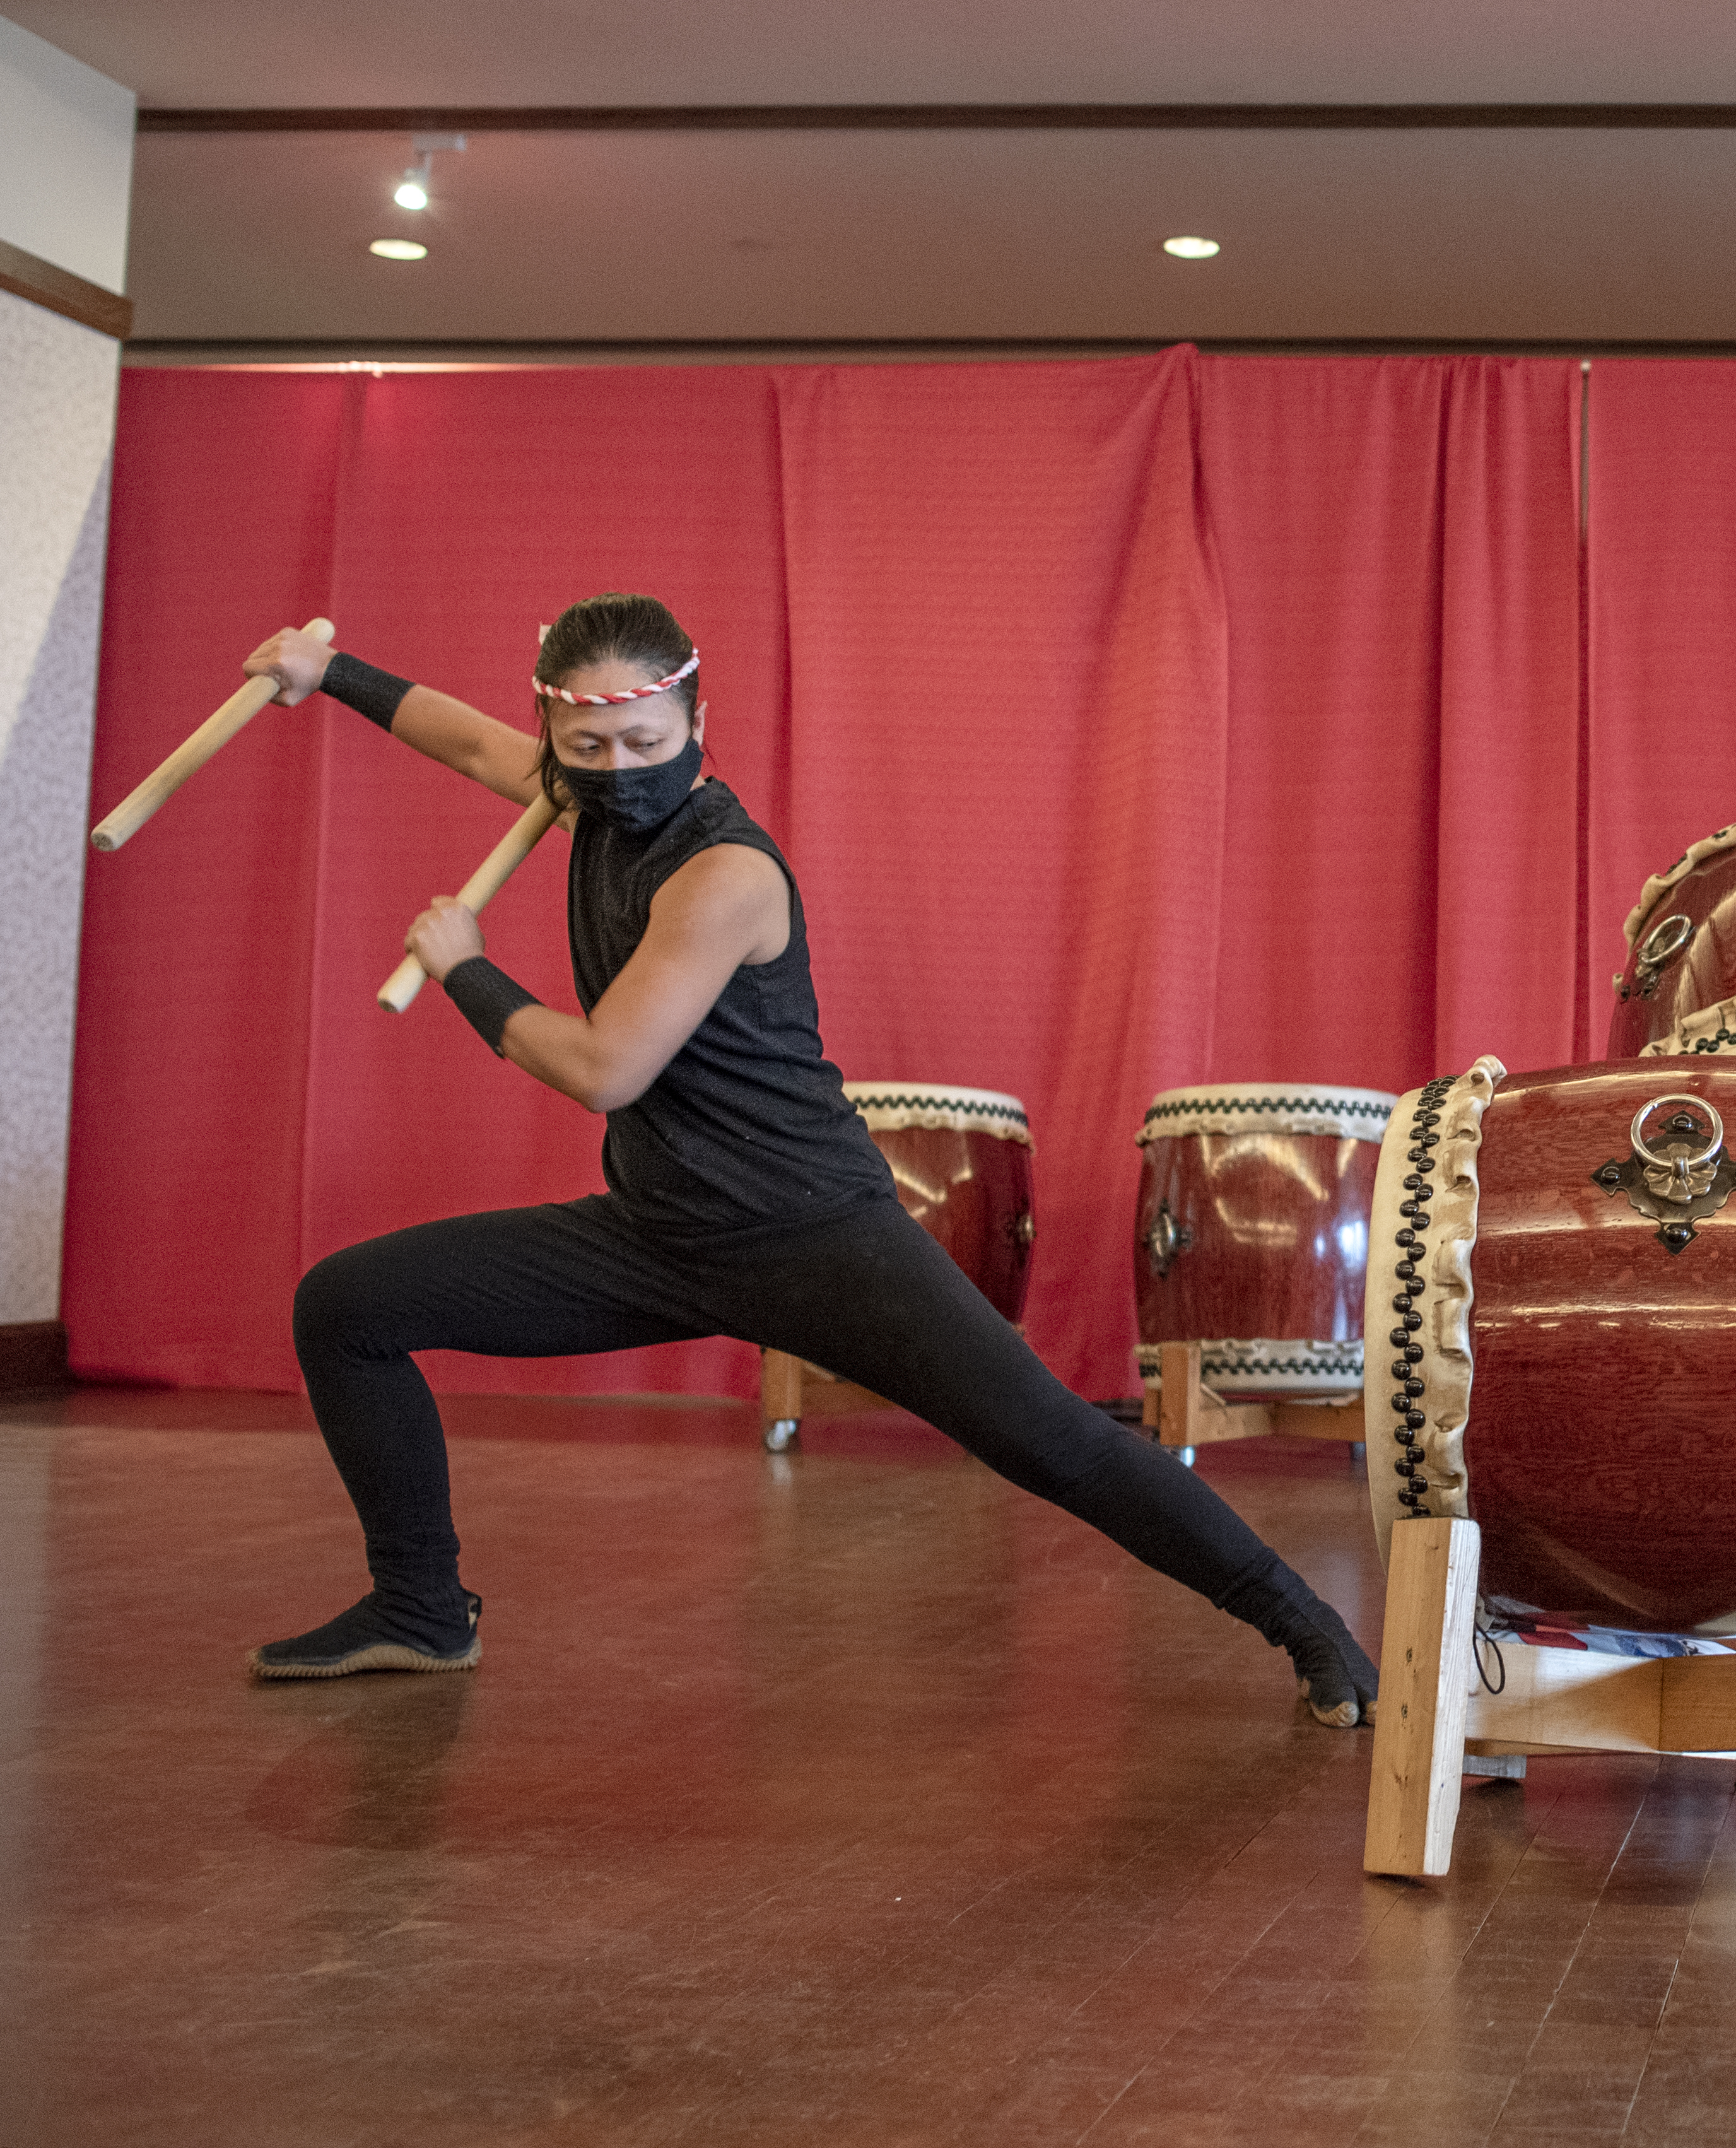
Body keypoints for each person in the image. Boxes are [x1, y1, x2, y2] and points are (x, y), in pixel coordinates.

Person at [225, 596, 1376, 1724]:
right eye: (587, 749)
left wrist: (465, 969)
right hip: (657, 1232)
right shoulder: (577, 796)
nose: (620, 769)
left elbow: (603, 1070)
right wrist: (331, 675)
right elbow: (469, 737)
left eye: (644, 743)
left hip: (816, 1236)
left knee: (1057, 1446)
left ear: (695, 721)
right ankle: (422, 1607)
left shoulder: (723, 873)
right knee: (349, 1305)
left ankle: (1307, 1625)